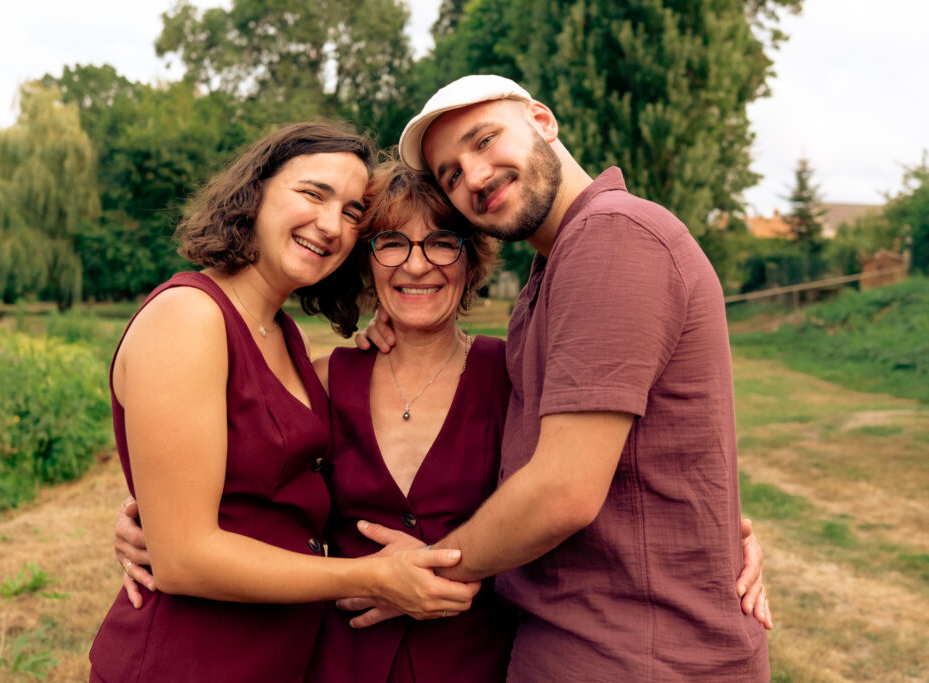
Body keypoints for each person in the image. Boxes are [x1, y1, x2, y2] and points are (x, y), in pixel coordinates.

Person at [353, 75, 771, 680]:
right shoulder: (556, 266)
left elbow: (563, 491)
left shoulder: (612, 235)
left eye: (484, 140)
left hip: (639, 654)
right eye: (451, 175)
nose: (474, 176)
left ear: (543, 122)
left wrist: (424, 574)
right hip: (589, 640)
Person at [88, 123, 480, 683]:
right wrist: (373, 576)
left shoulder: (283, 336)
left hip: (277, 660)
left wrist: (403, 329)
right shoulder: (189, 316)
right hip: (188, 662)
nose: (331, 224)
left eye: (350, 212)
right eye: (313, 193)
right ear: (255, 192)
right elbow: (182, 559)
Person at [304, 160, 517, 682]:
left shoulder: (512, 374)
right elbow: (257, 500)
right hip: (342, 664)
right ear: (367, 260)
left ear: (472, 260)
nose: (416, 266)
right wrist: (144, 520)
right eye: (392, 243)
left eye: (442, 243)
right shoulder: (327, 379)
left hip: (476, 664)